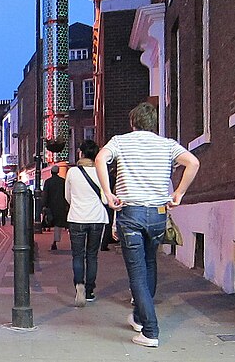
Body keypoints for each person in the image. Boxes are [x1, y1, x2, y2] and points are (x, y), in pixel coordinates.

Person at [95, 102, 200, 348]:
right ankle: (140, 319)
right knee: (150, 263)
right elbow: (193, 163)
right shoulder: (167, 145)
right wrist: (179, 194)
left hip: (130, 212)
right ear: (154, 124)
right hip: (158, 214)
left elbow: (100, 159)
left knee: (137, 273)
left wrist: (108, 193)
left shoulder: (120, 142)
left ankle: (150, 331)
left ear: (133, 123)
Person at [65, 140, 109, 307]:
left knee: (78, 255)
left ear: (81, 153)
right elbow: (105, 198)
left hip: (77, 218)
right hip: (97, 219)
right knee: (92, 255)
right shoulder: (101, 171)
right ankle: (90, 291)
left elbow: (67, 197)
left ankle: (79, 285)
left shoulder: (72, 172)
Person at [44, 165, 69, 250]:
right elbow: (66, 194)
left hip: (51, 206)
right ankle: (55, 240)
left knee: (52, 222)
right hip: (61, 205)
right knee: (58, 224)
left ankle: (54, 240)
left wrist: (44, 205)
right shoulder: (63, 181)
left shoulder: (48, 182)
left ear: (51, 172)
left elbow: (45, 194)